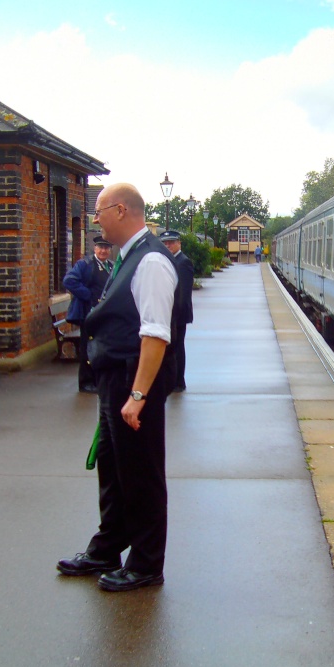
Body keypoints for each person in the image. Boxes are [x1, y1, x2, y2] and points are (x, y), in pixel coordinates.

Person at [57, 183, 178, 592]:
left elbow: (156, 334)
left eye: (100, 211)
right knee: (113, 469)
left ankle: (145, 564)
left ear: (122, 211)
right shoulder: (128, 258)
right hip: (115, 382)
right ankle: (108, 547)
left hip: (132, 382)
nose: (96, 219)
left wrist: (138, 395)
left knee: (141, 474)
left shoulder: (152, 263)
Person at [62, 235, 114, 392]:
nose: (103, 251)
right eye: (100, 247)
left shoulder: (111, 266)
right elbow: (69, 280)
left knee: (100, 348)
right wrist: (88, 295)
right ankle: (85, 383)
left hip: (103, 315)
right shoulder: (84, 265)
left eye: (106, 248)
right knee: (87, 349)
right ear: (95, 248)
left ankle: (97, 380)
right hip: (88, 314)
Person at [158, 229, 194, 392]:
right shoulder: (169, 260)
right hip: (170, 313)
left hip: (177, 314)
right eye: (165, 243)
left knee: (177, 348)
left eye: (171, 243)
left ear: (179, 243)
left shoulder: (183, 262)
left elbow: (183, 293)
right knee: (172, 348)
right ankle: (173, 380)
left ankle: (178, 381)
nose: (168, 245)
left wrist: (173, 315)